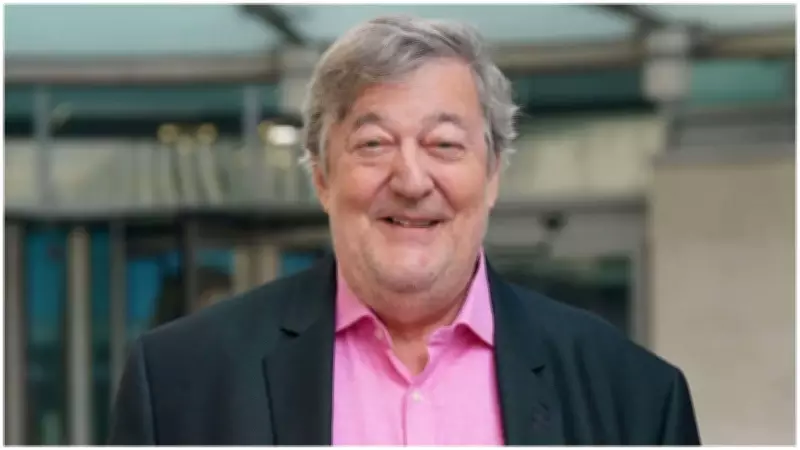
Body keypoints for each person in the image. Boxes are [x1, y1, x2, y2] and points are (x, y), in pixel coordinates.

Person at [109, 16, 701, 446]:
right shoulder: (181, 384)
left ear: (493, 174)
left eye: (444, 144)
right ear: (322, 176)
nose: (412, 180)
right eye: (374, 144)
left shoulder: (635, 399)